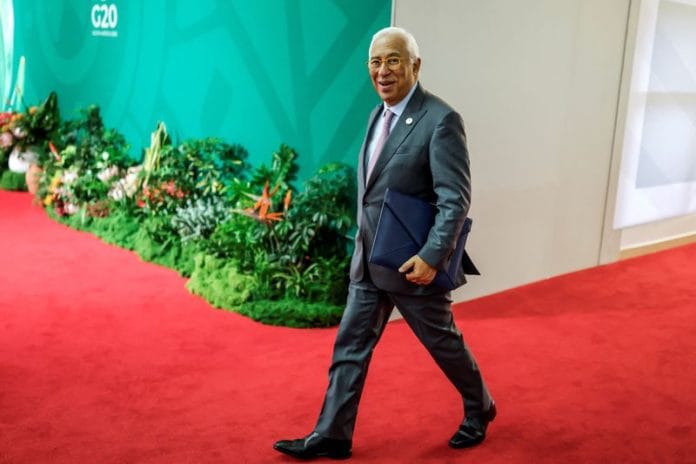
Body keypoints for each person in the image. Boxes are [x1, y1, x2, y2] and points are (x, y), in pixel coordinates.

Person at [273, 26, 495, 460]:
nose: (383, 71)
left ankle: (480, 405)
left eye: (393, 60)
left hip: (412, 263)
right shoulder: (378, 114)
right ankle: (332, 434)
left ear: (415, 65)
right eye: (375, 62)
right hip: (368, 261)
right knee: (350, 347)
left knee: (442, 343)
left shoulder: (441, 120)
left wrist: (432, 256)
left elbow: (455, 198)